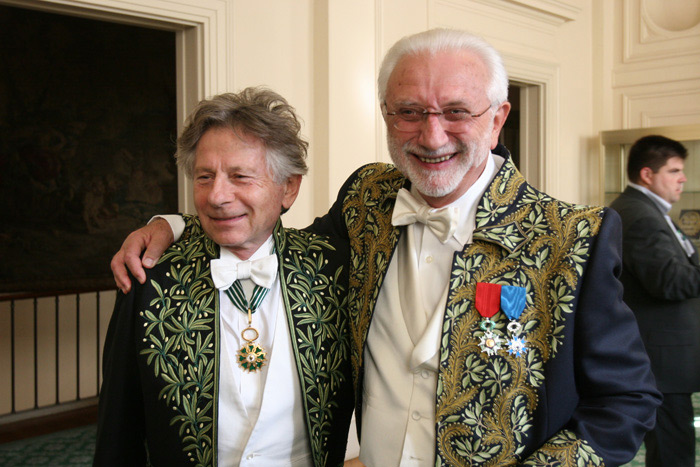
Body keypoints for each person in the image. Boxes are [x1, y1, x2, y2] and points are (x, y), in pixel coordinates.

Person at [111, 29, 661, 466]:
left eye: (456, 111)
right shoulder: (366, 199)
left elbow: (627, 402)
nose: (432, 135)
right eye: (409, 111)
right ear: (386, 117)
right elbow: (271, 235)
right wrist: (175, 224)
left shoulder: (571, 237)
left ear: (497, 119)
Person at [94, 87, 354, 466]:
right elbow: (119, 426)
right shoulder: (150, 276)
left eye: (240, 176)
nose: (217, 196)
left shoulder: (333, 268)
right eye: (204, 177)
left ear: (289, 188)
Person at [609, 135, 700, 467]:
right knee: (674, 456)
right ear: (647, 175)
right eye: (674, 171)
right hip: (660, 366)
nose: (683, 178)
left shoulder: (649, 211)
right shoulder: (639, 215)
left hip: (667, 364)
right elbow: (669, 280)